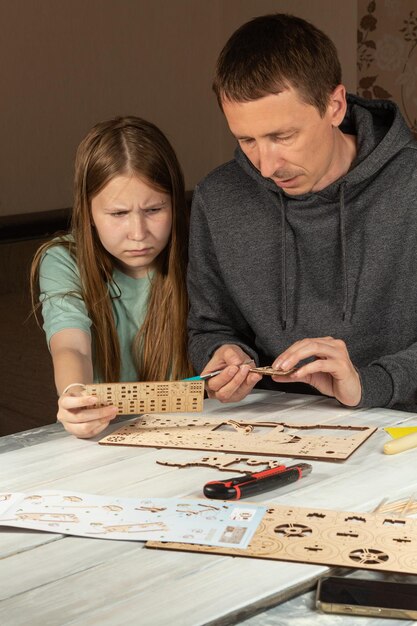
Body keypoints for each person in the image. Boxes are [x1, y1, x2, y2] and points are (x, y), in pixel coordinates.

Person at [187, 13, 417, 412]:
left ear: (335, 105)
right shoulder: (218, 198)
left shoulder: (410, 184)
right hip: (269, 428)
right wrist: (224, 353)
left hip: (399, 432)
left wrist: (369, 383)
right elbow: (209, 327)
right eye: (247, 140)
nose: (265, 166)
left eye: (283, 136)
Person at [31, 116, 192, 438]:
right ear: (87, 212)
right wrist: (74, 394)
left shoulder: (198, 252)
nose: (138, 233)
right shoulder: (63, 259)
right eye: (118, 214)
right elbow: (72, 345)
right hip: (109, 435)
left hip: (192, 427)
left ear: (175, 203)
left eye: (154, 210)